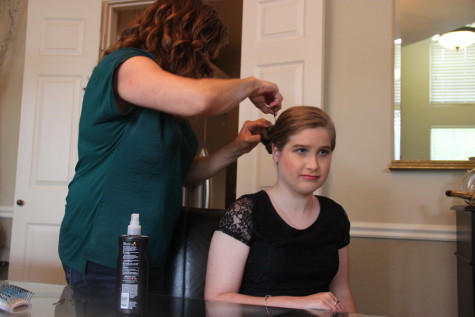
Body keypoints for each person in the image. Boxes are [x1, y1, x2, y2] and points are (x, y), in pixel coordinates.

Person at [58, 0, 282, 291]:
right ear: (179, 37)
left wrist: (238, 147)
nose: (202, 61)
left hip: (154, 248)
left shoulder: (168, 112)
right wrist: (252, 85)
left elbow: (183, 174)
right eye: (201, 48)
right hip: (104, 246)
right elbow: (199, 99)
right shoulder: (125, 64)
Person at [205, 106, 356, 313]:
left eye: (323, 152)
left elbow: (342, 292)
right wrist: (298, 302)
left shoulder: (335, 215)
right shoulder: (245, 212)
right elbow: (217, 298)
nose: (313, 165)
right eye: (301, 150)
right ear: (276, 151)